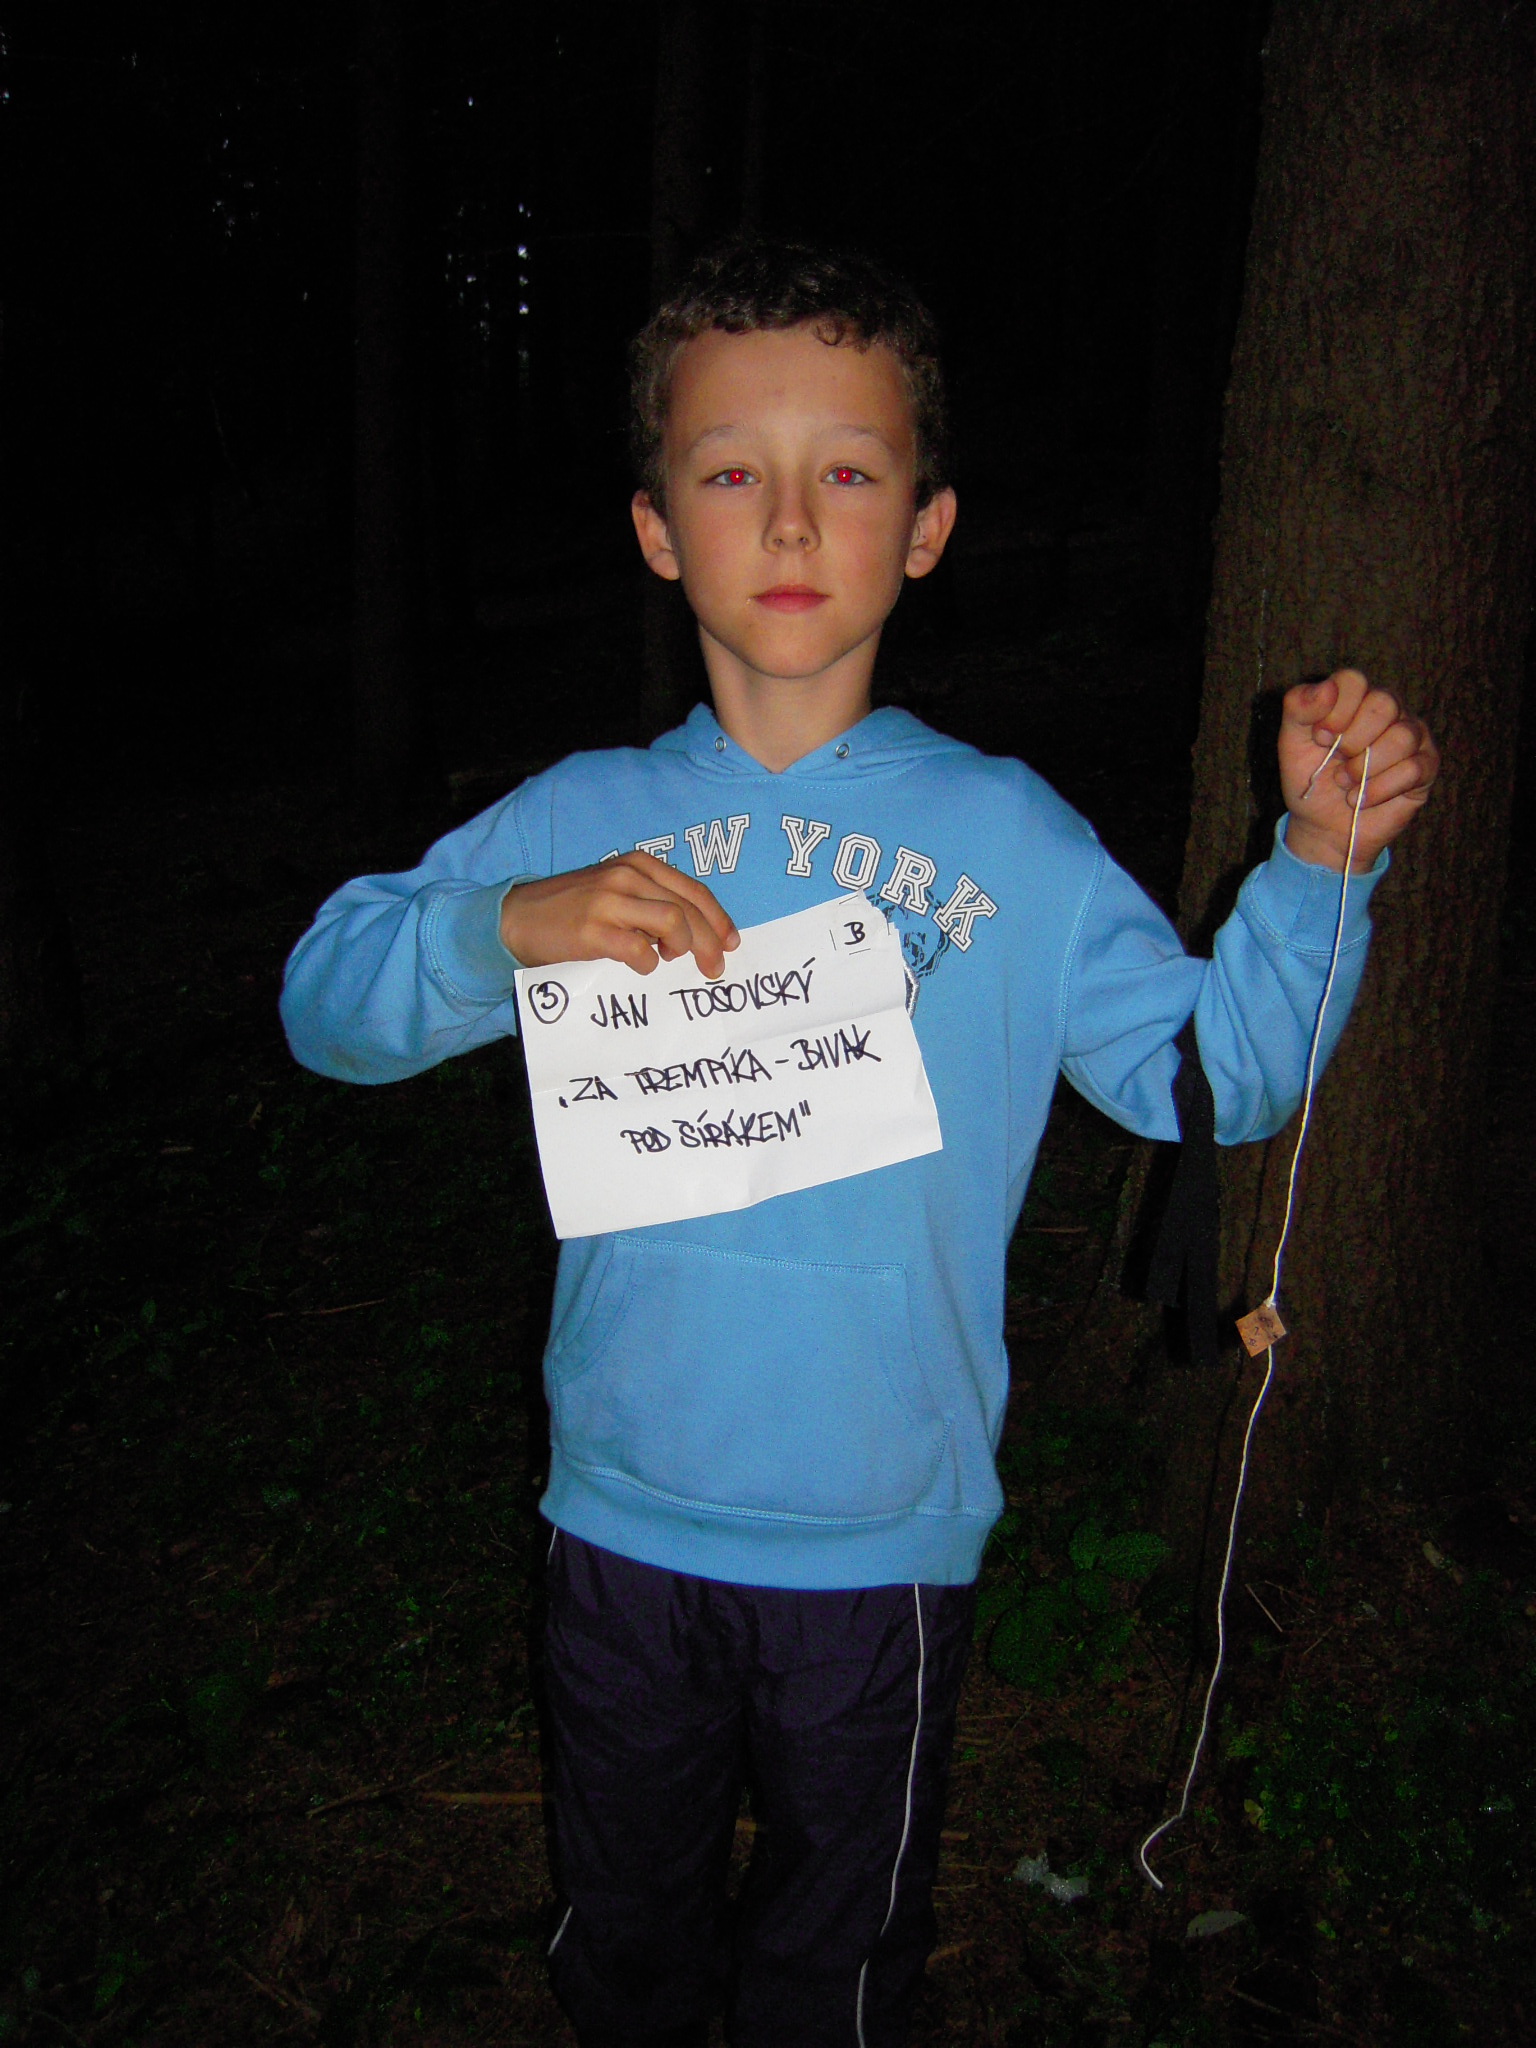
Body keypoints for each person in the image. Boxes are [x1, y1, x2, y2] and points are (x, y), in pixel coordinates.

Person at [280, 241, 1437, 2047]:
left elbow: (1215, 1081)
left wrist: (1314, 871)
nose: (792, 518)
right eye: (730, 470)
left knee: (836, 1967)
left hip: (881, 1541)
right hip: (618, 1519)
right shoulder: (581, 815)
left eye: (849, 469)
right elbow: (324, 1007)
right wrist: (497, 927)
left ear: (928, 528)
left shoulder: (1011, 838)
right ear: (657, 530)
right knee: (627, 1947)